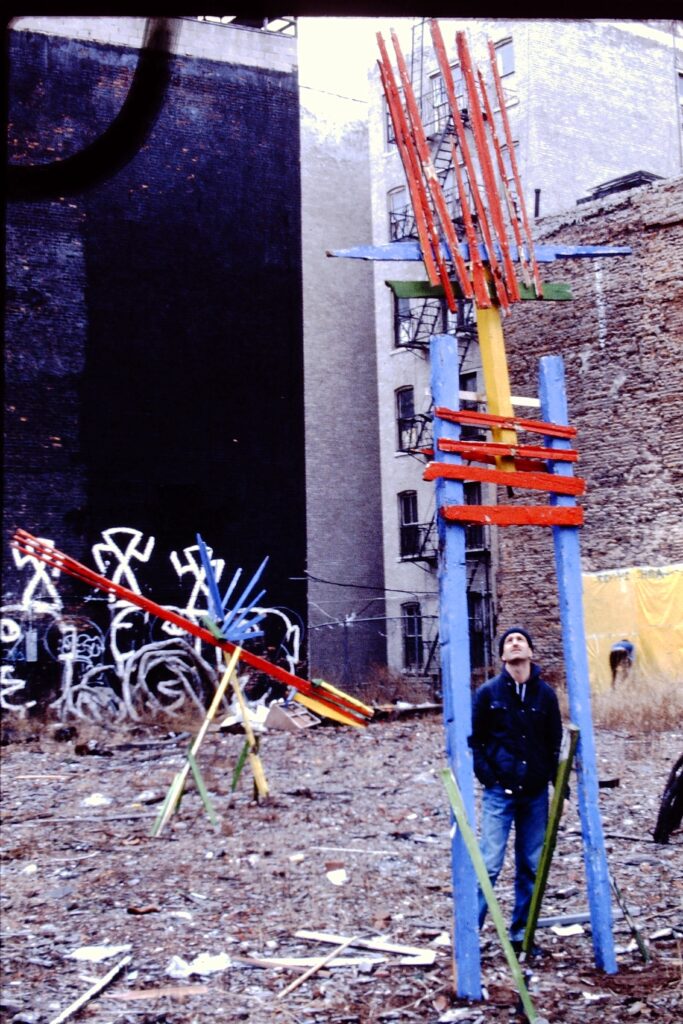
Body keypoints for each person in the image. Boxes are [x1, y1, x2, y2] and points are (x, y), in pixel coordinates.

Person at [469, 626, 563, 954]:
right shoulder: (488, 694)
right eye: (509, 641)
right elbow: (475, 742)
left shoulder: (546, 696)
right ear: (503, 656)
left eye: (521, 639)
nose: (515, 642)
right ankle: (469, 937)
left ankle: (522, 934)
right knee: (489, 863)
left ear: (530, 652)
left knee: (531, 865)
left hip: (534, 794)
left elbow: (555, 742)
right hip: (499, 793)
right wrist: (489, 778)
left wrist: (551, 780)